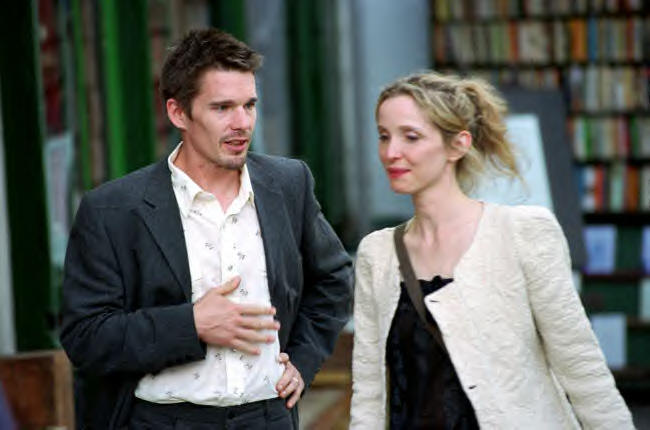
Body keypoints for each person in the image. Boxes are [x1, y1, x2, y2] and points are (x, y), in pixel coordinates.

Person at [60, 28, 353, 430]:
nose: (242, 123)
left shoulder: (288, 185)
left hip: (267, 417)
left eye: (249, 105)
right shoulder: (113, 209)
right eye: (222, 108)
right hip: (163, 421)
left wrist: (303, 360)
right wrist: (192, 325)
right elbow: (85, 336)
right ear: (178, 113)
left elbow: (334, 280)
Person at [349, 71, 634, 429]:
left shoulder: (523, 232)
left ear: (458, 145)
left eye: (411, 137)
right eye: (384, 136)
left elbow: (580, 366)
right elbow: (369, 392)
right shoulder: (377, 254)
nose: (391, 153)